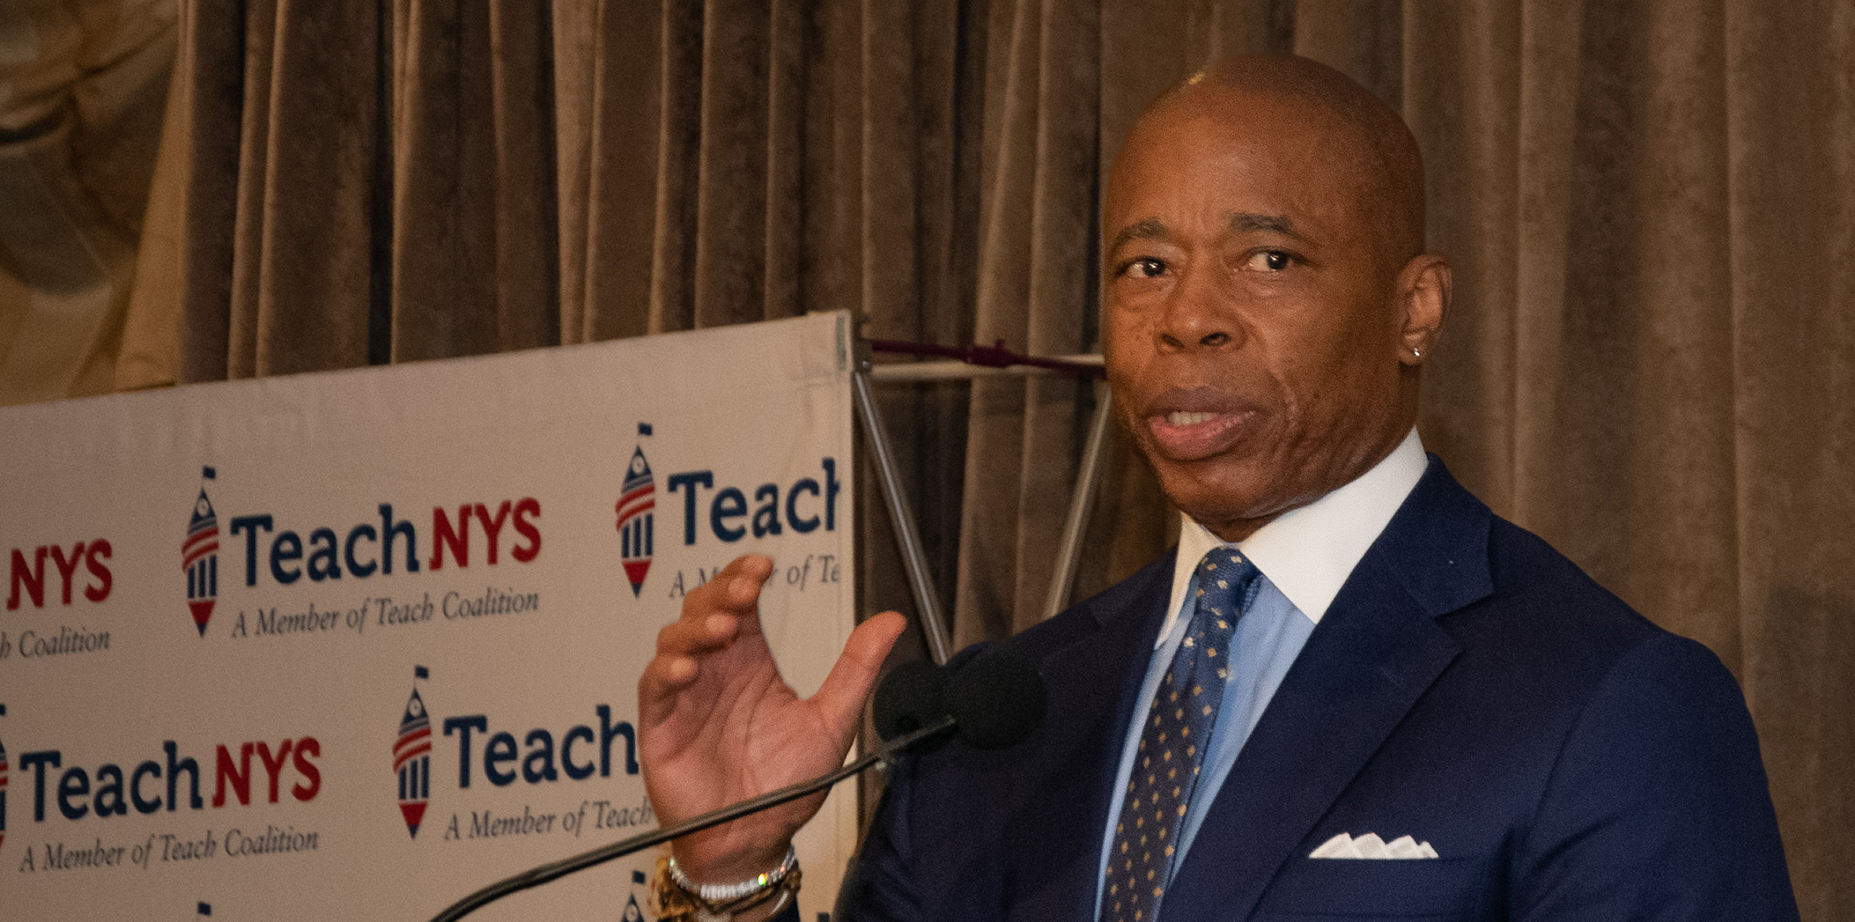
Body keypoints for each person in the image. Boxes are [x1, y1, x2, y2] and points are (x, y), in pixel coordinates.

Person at [638, 54, 1798, 922]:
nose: (1184, 316)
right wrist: (730, 869)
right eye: (1144, 266)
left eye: (1268, 260)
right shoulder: (998, 719)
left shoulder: (1607, 703)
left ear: (1415, 309)